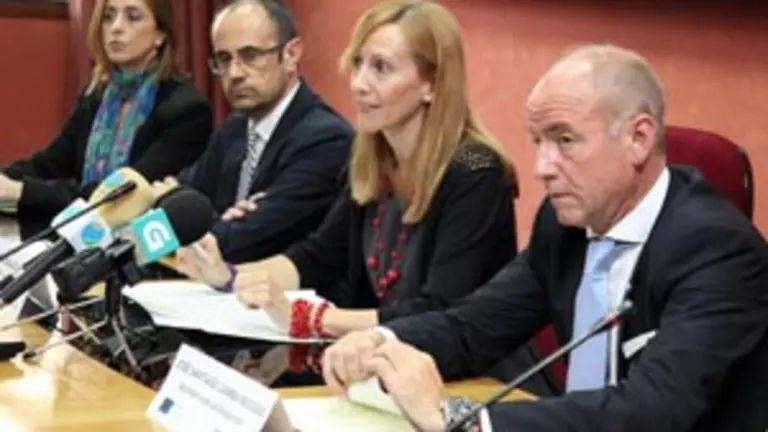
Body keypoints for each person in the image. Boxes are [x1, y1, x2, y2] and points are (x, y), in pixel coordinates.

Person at [320, 44, 768, 432]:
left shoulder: (718, 250)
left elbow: (653, 411)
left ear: (638, 138)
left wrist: (462, 418)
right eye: (538, 142)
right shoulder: (565, 226)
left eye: (565, 140)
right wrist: (385, 341)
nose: (542, 167)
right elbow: (473, 328)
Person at [176, 0, 518, 338]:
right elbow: (318, 256)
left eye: (381, 68)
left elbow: (439, 309)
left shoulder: (477, 171)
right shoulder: (372, 161)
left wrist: (312, 319)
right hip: (380, 359)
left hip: (469, 377)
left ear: (432, 83)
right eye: (358, 64)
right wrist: (229, 275)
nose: (358, 84)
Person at [158, 0, 354, 264]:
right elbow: (174, 199)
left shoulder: (326, 140)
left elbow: (241, 243)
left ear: (291, 54)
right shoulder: (235, 128)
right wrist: (220, 219)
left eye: (250, 55)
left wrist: (212, 223)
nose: (235, 73)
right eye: (223, 59)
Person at [0, 0, 212, 238]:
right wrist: (5, 178)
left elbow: (119, 196)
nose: (116, 28)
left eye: (132, 17)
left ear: (160, 35)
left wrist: (21, 192)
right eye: (109, 17)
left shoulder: (186, 109)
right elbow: (50, 163)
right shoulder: (97, 95)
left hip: (138, 245)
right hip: (81, 237)